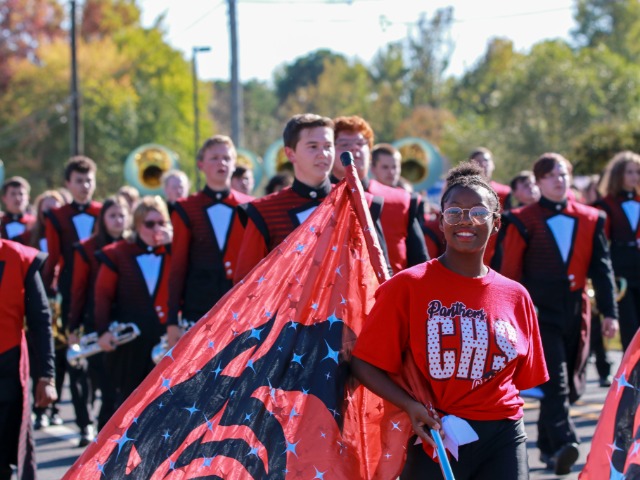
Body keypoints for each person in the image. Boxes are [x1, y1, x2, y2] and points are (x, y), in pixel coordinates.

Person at [351, 162, 548, 479]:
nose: (465, 220)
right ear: (440, 222)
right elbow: (364, 363)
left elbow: (523, 379)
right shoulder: (408, 286)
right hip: (434, 435)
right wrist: (410, 405)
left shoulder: (516, 295)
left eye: (479, 213)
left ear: (496, 222)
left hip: (504, 436)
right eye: (454, 212)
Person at [500, 152, 618, 475]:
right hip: (538, 312)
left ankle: (552, 449)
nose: (559, 180)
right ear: (538, 182)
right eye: (551, 176)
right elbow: (509, 272)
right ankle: (567, 441)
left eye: (564, 174)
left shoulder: (591, 218)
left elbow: (602, 269)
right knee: (557, 382)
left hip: (577, 310)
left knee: (573, 381)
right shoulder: (521, 219)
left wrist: (610, 313)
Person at [167, 136, 253, 347]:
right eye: (214, 158)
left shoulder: (251, 206)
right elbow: (177, 265)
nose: (221, 163)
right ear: (201, 165)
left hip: (240, 306)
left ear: (234, 164)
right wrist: (171, 321)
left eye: (226, 158)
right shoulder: (185, 208)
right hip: (197, 307)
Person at [233, 114, 337, 283]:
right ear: (290, 154)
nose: (323, 154)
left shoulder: (355, 201)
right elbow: (245, 282)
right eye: (313, 146)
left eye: (328, 146)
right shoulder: (264, 211)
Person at [41, 155, 102, 446]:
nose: (85, 186)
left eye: (89, 180)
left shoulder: (104, 211)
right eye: (79, 181)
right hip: (70, 295)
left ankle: (101, 419)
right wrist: (44, 294)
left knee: (99, 360)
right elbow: (53, 258)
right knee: (76, 359)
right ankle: (83, 423)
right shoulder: (56, 216)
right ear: (68, 183)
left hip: (101, 291)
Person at [95, 196, 172, 406]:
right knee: (124, 403)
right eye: (150, 224)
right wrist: (103, 331)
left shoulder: (173, 251)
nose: (156, 228)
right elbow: (102, 295)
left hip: (163, 337)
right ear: (137, 225)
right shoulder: (118, 253)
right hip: (130, 341)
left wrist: (173, 247)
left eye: (161, 222)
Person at [332, 115, 428, 274]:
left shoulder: (402, 201)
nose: (353, 149)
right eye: (344, 144)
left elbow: (420, 265)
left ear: (369, 153)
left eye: (360, 143)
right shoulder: (316, 201)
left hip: (391, 295)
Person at [67, 196, 131, 431]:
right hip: (96, 322)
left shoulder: (133, 245)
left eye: (122, 215)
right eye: (112, 215)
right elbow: (78, 290)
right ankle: (99, 435)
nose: (118, 220)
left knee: (122, 389)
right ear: (102, 219)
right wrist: (72, 327)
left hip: (126, 323)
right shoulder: (87, 248)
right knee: (105, 384)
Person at [0, 238, 57, 480]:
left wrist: (47, 374)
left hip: (6, 368)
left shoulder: (19, 257)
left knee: (2, 458)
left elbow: (40, 321)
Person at [594, 151, 640, 352]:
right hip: (621, 272)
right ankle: (631, 380)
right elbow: (602, 244)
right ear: (618, 174)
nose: (634, 176)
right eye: (629, 172)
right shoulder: (605, 204)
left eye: (637, 172)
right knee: (630, 327)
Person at [0, 176, 35, 242]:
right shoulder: (1, 221)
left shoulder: (35, 223)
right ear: (4, 198)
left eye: (21, 194)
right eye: (13, 194)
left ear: (28, 198)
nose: (18, 198)